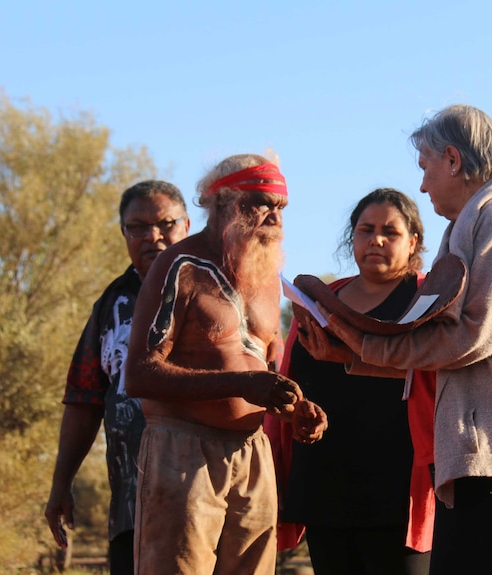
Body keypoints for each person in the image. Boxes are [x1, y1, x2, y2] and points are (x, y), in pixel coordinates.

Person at [320, 105, 492, 575]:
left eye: (426, 167)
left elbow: (472, 336)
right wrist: (351, 353)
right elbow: (451, 342)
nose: (423, 184)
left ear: (452, 159)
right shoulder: (481, 216)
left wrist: (365, 344)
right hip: (488, 435)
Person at [124, 154, 328, 575]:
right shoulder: (178, 267)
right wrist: (240, 384)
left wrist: (296, 408)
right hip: (183, 452)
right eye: (259, 202)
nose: (273, 216)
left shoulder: (268, 278)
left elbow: (262, 372)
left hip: (254, 453)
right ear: (220, 204)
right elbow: (140, 373)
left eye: (281, 208)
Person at [267, 188, 437, 575]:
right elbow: (290, 380)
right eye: (365, 229)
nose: (376, 239)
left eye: (390, 232)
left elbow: (436, 373)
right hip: (325, 485)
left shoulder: (427, 299)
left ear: (413, 242)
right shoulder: (321, 301)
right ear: (352, 238)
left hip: (399, 490)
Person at [45, 180, 191, 575]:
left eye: (165, 224)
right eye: (138, 227)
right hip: (130, 506)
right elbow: (83, 399)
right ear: (123, 232)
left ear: (188, 225)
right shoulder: (111, 304)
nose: (153, 236)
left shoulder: (216, 293)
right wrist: (62, 483)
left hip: (202, 498)